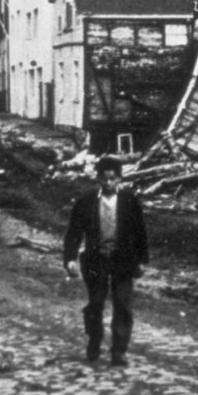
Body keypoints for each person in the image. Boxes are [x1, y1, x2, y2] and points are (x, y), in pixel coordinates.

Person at [62, 156, 149, 366]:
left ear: (119, 178)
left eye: (113, 178)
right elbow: (74, 231)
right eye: (104, 178)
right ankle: (94, 339)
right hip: (95, 259)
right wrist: (70, 258)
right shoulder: (87, 201)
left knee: (122, 304)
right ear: (98, 178)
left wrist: (142, 260)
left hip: (122, 260)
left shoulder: (129, 200)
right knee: (96, 303)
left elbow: (140, 232)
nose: (108, 183)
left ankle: (119, 350)